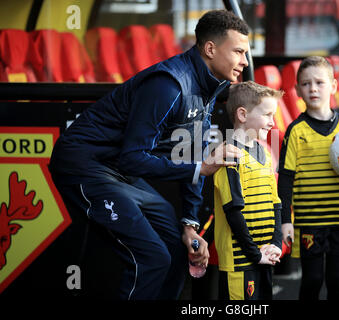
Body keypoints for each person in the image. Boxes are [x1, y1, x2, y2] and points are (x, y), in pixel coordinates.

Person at [49, 9, 249, 300]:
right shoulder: (168, 84)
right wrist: (199, 169)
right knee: (153, 256)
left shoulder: (207, 87)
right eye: (239, 51)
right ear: (210, 49)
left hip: (117, 169)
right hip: (85, 164)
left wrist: (191, 226)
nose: (244, 61)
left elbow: (189, 153)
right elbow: (135, 157)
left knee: (179, 247)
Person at [277, 56, 339, 300]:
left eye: (320, 83)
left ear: (333, 86)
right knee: (312, 281)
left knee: (337, 281)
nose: (313, 88)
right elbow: (285, 179)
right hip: (310, 221)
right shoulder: (296, 131)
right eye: (306, 83)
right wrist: (284, 220)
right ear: (298, 90)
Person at [213, 81, 284, 300]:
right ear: (242, 114)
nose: (272, 122)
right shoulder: (229, 155)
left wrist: (276, 243)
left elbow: (275, 203)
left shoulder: (263, 152)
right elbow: (233, 212)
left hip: (264, 256)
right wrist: (255, 254)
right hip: (241, 260)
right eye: (267, 115)